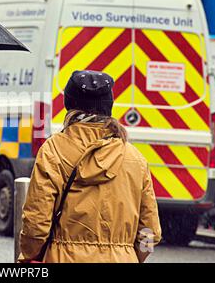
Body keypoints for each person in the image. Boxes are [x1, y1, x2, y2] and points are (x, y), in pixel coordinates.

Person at [19, 70, 161, 263]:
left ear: (69, 105)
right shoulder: (135, 159)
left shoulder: (53, 150)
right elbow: (150, 231)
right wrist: (130, 256)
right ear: (108, 107)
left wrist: (28, 257)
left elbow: (36, 223)